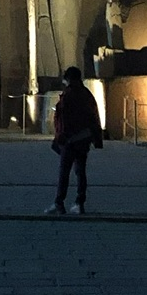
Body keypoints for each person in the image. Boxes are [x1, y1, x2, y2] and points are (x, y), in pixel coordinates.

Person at [47, 65, 102, 215]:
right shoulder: (86, 93)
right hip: (84, 138)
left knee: (64, 172)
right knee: (80, 171)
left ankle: (59, 203)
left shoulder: (69, 95)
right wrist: (96, 137)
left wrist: (60, 138)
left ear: (68, 79)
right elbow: (94, 116)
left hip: (70, 140)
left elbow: (63, 119)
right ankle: (79, 202)